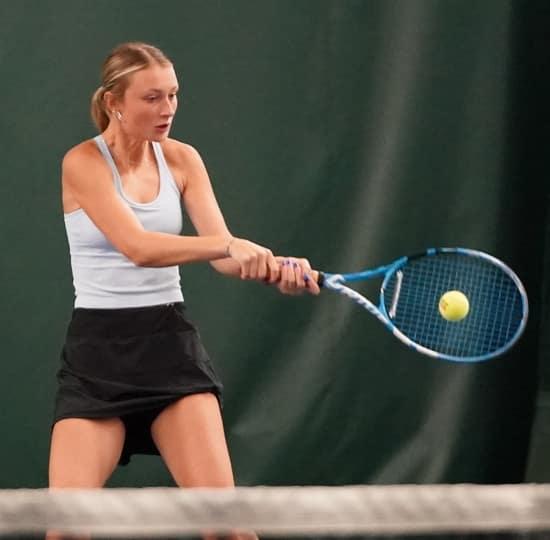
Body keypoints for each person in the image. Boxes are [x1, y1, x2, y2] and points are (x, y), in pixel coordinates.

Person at [49, 41, 319, 539]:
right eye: (152, 97)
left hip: (170, 348)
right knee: (66, 531)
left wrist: (273, 266)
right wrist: (230, 244)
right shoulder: (82, 163)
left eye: (173, 95)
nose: (167, 108)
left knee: (229, 529)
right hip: (97, 359)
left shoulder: (182, 159)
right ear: (113, 102)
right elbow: (139, 247)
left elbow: (224, 260)